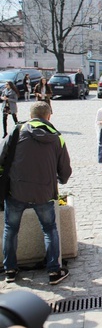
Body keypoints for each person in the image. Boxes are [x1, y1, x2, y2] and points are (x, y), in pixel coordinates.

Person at [1, 101, 72, 284]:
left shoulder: (17, 131)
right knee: (49, 229)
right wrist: (59, 180)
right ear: (49, 116)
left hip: (16, 190)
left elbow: (2, 156)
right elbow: (65, 170)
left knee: (11, 229)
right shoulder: (57, 137)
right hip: (44, 192)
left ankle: (9, 269)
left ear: (31, 115)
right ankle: (54, 272)